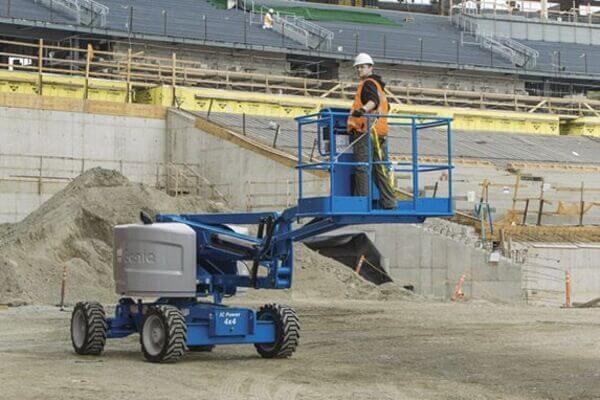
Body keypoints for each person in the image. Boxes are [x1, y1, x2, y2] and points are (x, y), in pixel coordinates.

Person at [347, 53, 396, 209]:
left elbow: (373, 102)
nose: (359, 70)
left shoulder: (368, 84)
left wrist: (362, 109)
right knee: (379, 168)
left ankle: (361, 202)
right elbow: (386, 107)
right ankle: (389, 202)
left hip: (365, 131)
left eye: (362, 67)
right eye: (358, 67)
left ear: (370, 68)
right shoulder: (380, 87)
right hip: (379, 132)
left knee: (362, 166)